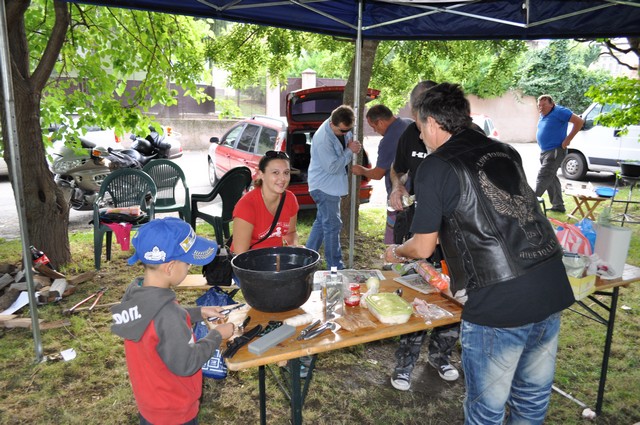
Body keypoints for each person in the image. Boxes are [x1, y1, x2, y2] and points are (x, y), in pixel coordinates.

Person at [384, 83, 575, 424]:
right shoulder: (505, 150)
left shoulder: (436, 165)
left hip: (500, 298)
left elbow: (423, 245)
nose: (420, 135)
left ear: (431, 123)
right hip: (550, 282)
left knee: (486, 410)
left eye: (419, 126)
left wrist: (398, 251)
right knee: (531, 401)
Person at [111, 217, 235, 425]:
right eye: (187, 263)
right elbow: (187, 362)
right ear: (169, 267)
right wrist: (216, 335)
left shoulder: (136, 292)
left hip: (151, 402)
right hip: (175, 410)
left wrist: (198, 312)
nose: (189, 268)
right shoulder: (168, 314)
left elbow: (156, 320)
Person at [386, 80, 461, 391]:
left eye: (419, 114)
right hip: (418, 225)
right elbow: (397, 167)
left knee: (453, 295)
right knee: (414, 292)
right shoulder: (410, 134)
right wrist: (397, 187)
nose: (416, 124)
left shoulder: (463, 137)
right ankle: (405, 363)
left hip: (455, 236)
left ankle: (441, 356)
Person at [306, 105, 362, 269]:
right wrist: (349, 151)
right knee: (332, 225)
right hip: (324, 187)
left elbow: (347, 140)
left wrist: (350, 146)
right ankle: (335, 267)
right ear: (332, 123)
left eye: (349, 130)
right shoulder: (323, 139)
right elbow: (332, 168)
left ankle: (306, 261)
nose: (346, 133)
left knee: (321, 224)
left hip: (329, 186)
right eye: (343, 131)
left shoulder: (341, 128)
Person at [352, 104, 412, 244]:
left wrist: (361, 170)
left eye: (374, 127)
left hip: (400, 195)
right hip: (417, 190)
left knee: (396, 232)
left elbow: (378, 173)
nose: (375, 130)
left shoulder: (388, 140)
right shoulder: (409, 123)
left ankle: (395, 252)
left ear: (380, 122)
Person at [230, 150, 299, 254]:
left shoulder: (290, 199)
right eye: (275, 172)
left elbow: (291, 233)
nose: (283, 178)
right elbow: (240, 254)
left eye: (286, 172)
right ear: (261, 174)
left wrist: (294, 246)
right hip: (251, 260)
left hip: (277, 258)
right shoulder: (246, 205)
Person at [535, 94, 585, 213]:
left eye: (544, 105)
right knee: (551, 178)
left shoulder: (559, 111)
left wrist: (568, 140)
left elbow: (579, 121)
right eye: (539, 105)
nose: (541, 108)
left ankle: (530, 205)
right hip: (545, 151)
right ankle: (558, 205)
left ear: (552, 104)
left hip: (556, 150)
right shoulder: (543, 114)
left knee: (543, 176)